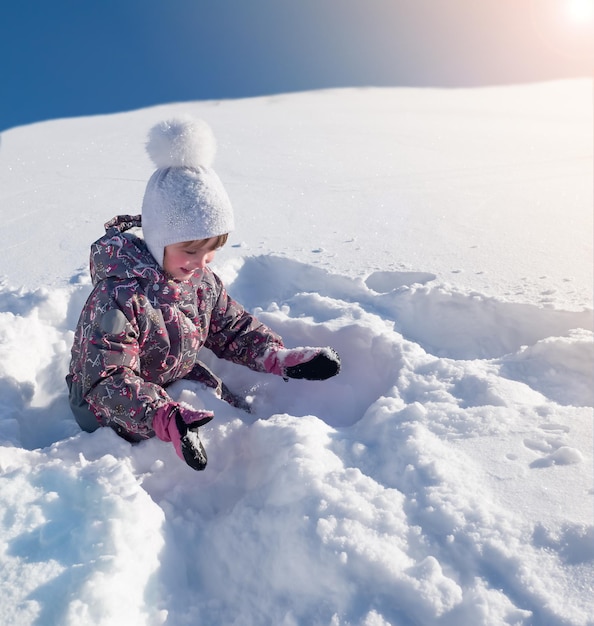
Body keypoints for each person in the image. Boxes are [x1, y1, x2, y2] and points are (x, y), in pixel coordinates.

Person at [66, 117, 340, 471]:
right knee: (172, 434)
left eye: (211, 251)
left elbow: (231, 327)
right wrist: (160, 416)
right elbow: (105, 380)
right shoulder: (119, 295)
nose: (201, 263)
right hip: (100, 404)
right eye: (190, 251)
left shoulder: (200, 281)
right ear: (157, 240)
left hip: (164, 375)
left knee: (231, 407)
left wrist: (276, 357)